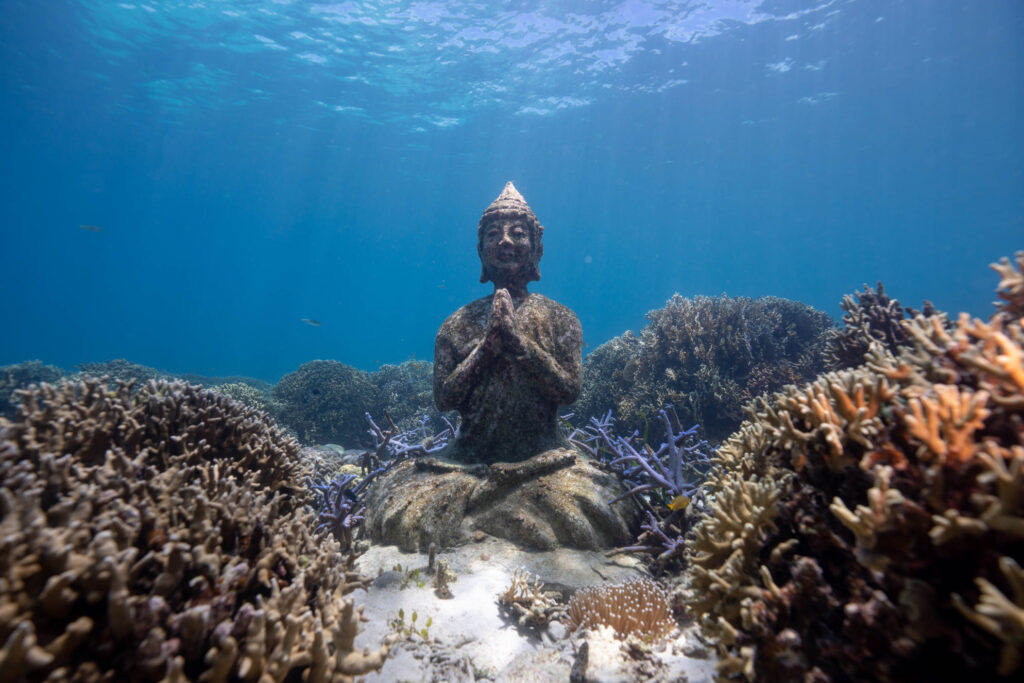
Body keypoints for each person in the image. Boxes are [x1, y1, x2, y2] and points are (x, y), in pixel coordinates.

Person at [434, 182, 582, 464]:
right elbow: (444, 400)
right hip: (467, 460)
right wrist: (485, 350)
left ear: (537, 250)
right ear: (480, 251)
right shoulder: (456, 325)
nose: (504, 241)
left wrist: (519, 344)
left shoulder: (561, 319)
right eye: (493, 234)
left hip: (545, 457)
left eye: (517, 234)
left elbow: (569, 391)